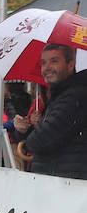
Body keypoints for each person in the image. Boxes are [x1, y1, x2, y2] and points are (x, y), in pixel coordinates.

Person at [14, 44, 87, 180]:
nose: (47, 68)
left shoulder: (74, 96)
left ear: (70, 65)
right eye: (43, 63)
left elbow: (41, 139)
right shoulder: (59, 96)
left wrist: (28, 141)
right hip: (59, 179)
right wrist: (24, 129)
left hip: (67, 184)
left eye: (54, 61)